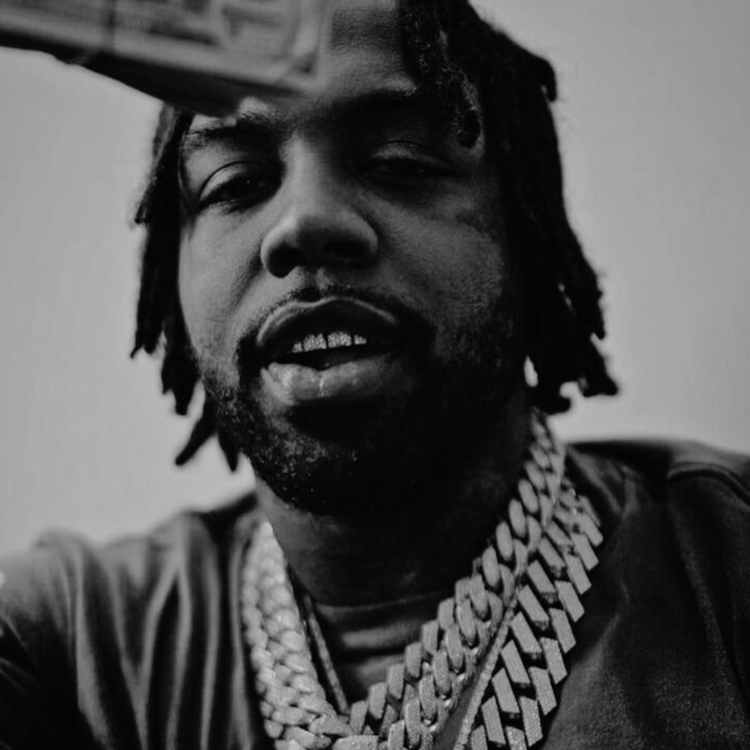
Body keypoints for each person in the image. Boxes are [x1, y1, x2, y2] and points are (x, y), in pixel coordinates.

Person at [1, 0, 748, 748]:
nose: (305, 222)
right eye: (235, 182)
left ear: (527, 234)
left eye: (399, 162)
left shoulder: (725, 563)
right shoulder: (69, 639)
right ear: (173, 272)